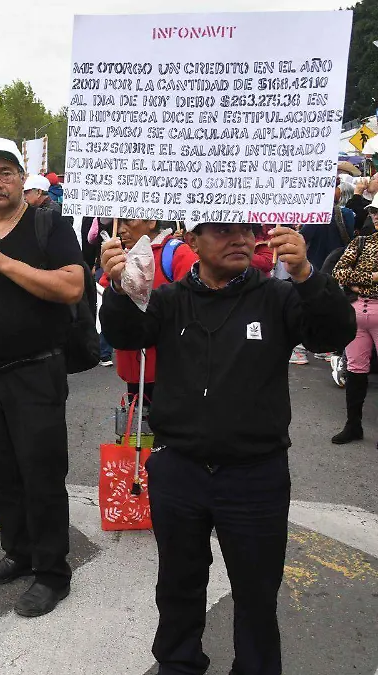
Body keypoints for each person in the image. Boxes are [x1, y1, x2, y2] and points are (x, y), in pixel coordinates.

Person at [100, 220, 354, 675]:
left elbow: (333, 334)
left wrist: (307, 275)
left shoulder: (277, 296)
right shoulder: (169, 299)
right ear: (192, 242)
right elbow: (125, 335)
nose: (241, 239)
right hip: (179, 470)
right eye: (222, 231)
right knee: (178, 584)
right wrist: (119, 289)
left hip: (255, 474)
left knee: (257, 592)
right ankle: (178, 663)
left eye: (248, 231)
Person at [0, 137, 85, 617]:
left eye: (5, 173)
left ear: (21, 177)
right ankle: (19, 552)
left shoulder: (48, 224)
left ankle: (52, 573)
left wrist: (6, 263)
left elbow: (72, 286)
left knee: (42, 473)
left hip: (36, 371)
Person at [97, 219, 197, 403]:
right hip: (132, 367)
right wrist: (116, 282)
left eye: (128, 221)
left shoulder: (177, 253)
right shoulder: (121, 256)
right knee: (137, 417)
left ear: (151, 221)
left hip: (170, 373)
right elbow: (105, 292)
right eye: (119, 222)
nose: (121, 229)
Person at [329, 233, 378, 445]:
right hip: (357, 313)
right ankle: (353, 425)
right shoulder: (362, 241)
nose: (375, 217)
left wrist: (357, 281)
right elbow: (339, 271)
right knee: (355, 370)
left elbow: (348, 275)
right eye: (374, 215)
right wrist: (373, 278)